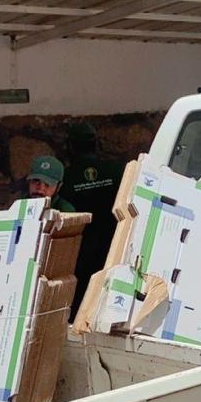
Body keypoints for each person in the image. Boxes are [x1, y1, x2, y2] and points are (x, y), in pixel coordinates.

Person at [60, 123, 123, 317]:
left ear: (70, 146)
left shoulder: (66, 178)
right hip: (112, 244)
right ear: (96, 144)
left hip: (80, 249)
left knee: (80, 302)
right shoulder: (115, 171)